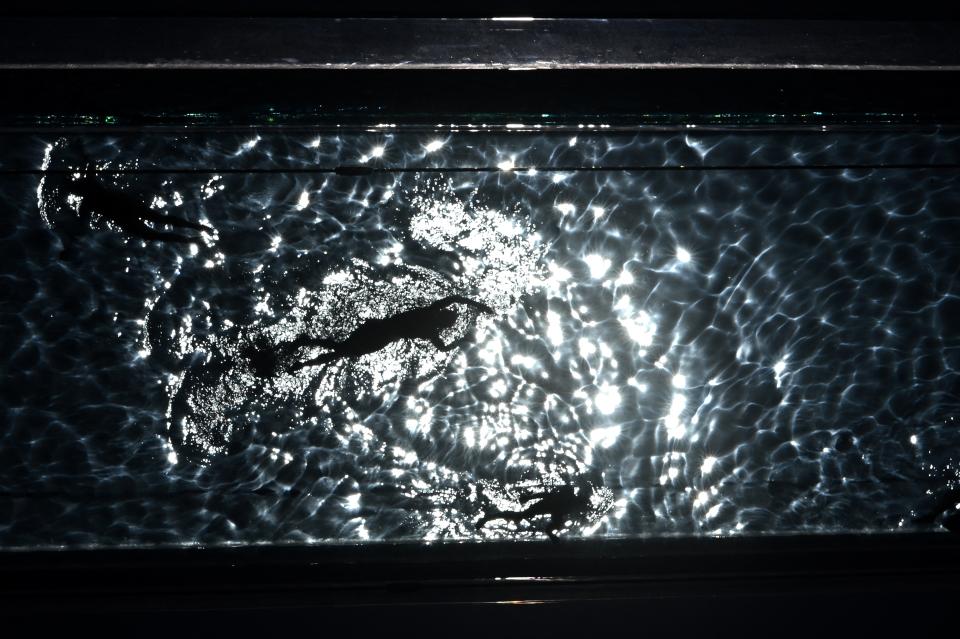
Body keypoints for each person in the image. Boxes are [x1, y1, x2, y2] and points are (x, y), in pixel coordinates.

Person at [283, 294, 495, 372]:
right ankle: (304, 361)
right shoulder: (432, 331)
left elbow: (456, 298)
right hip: (381, 338)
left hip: (377, 327)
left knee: (342, 347)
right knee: (343, 351)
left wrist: (479, 305)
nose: (446, 310)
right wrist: (462, 340)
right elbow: (443, 348)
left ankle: (306, 344)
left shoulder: (430, 311)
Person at [67, 169, 213, 244]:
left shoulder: (85, 203)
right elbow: (89, 164)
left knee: (155, 231)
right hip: (127, 206)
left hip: (123, 214)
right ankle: (197, 229)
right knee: (161, 221)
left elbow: (82, 225)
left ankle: (191, 237)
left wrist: (73, 239)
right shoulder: (90, 187)